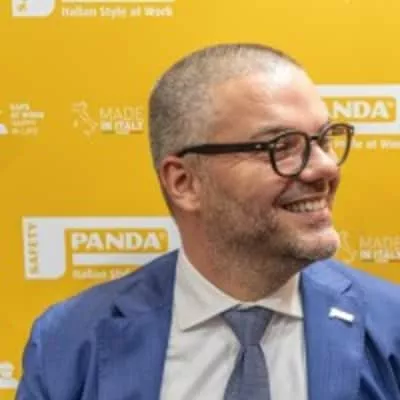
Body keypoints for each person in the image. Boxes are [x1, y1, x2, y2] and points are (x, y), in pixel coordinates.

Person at [17, 43, 400, 400]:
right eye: (281, 146)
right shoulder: (67, 343)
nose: (325, 168)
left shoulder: (390, 328)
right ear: (184, 183)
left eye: (325, 140)